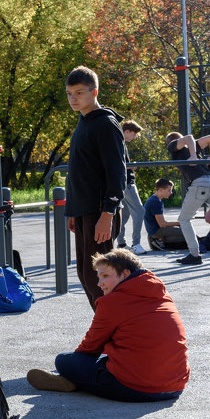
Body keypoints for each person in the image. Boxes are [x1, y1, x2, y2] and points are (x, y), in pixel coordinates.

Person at [26, 249, 188, 402]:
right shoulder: (161, 293)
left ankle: (73, 381)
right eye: (98, 277)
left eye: (105, 276)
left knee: (64, 360)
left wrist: (74, 365)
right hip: (175, 386)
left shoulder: (113, 301)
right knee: (107, 356)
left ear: (125, 274)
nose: (99, 283)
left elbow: (91, 345)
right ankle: (78, 380)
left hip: (138, 388)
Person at [64, 66, 126, 310]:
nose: (73, 99)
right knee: (86, 276)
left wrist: (108, 214)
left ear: (94, 91)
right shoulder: (84, 122)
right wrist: (72, 210)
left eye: (79, 93)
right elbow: (80, 171)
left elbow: (117, 173)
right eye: (69, 93)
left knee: (102, 281)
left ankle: (118, 339)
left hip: (100, 212)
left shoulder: (106, 124)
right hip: (83, 211)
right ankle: (105, 335)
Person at [165, 130, 210, 265]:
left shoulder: (173, 145)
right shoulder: (194, 145)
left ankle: (194, 254)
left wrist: (193, 156)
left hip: (200, 183)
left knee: (184, 219)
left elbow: (188, 137)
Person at [116, 120, 146, 254]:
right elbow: (118, 163)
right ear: (127, 131)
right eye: (134, 134)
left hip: (124, 182)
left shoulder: (119, 142)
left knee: (125, 213)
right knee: (140, 211)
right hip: (127, 183)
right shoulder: (119, 142)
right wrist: (130, 166)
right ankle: (136, 243)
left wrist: (129, 165)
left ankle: (121, 243)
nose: (134, 137)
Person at [142, 178, 187, 250]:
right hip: (156, 231)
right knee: (187, 232)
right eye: (169, 190)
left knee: (185, 232)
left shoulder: (155, 199)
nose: (171, 192)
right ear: (160, 190)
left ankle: (159, 240)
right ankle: (158, 240)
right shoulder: (155, 202)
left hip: (155, 230)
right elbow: (162, 224)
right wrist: (180, 223)